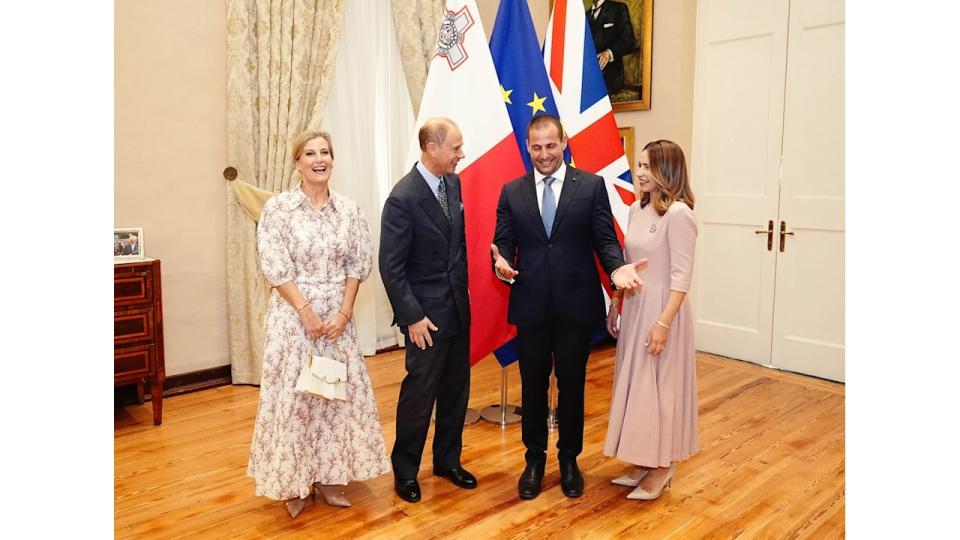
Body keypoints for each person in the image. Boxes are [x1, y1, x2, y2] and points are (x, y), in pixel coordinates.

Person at [490, 114, 646, 500]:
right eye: (536, 146)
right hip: (531, 307)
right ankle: (534, 461)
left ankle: (570, 460)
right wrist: (502, 265)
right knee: (533, 388)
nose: (543, 153)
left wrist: (616, 270)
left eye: (550, 145)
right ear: (528, 147)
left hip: (576, 306)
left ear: (564, 143)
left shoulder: (590, 187)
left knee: (573, 387)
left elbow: (604, 240)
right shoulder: (512, 191)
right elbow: (503, 242)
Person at [246, 130, 390, 518]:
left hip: (337, 323)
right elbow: (275, 266)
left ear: (332, 160)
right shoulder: (278, 210)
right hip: (294, 321)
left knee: (333, 398)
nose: (319, 159)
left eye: (325, 152)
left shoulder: (349, 210)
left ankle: (330, 476)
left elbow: (358, 265)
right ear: (297, 163)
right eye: (310, 153)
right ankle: (293, 483)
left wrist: (343, 313)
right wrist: (307, 313)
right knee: (295, 402)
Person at [379, 117, 476, 504]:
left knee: (456, 392)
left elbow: (457, 248)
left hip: (457, 310)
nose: (461, 154)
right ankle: (405, 472)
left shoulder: (453, 183)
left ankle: (447, 462)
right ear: (432, 148)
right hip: (425, 319)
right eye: (455, 148)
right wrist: (412, 317)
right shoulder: (402, 198)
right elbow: (392, 267)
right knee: (419, 396)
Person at [604, 140, 699, 500]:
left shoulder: (679, 214)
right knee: (638, 386)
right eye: (638, 165)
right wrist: (616, 303)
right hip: (635, 306)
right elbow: (626, 264)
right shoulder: (635, 210)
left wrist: (664, 323)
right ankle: (645, 459)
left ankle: (663, 467)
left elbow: (681, 277)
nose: (640, 172)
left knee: (660, 387)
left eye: (647, 166)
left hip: (663, 311)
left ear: (667, 170)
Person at [589, 0, 636, 94]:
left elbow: (629, 40)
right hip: (588, 79)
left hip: (610, 79)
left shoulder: (618, 9)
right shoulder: (585, 16)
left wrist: (609, 53)